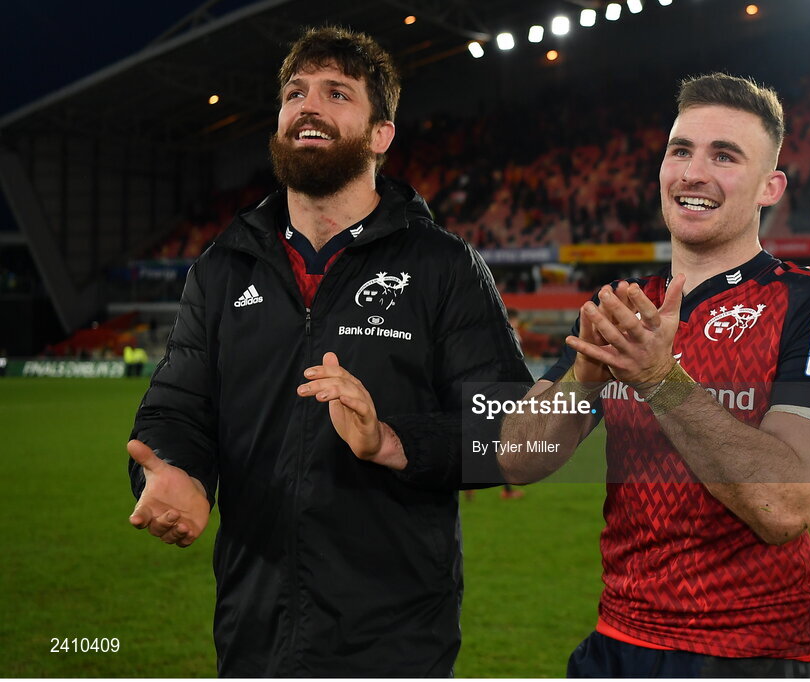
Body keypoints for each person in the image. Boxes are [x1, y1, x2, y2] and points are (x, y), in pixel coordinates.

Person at [126, 27, 531, 677]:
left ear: (381, 135)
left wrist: (391, 440)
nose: (307, 104)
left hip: (396, 640)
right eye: (295, 92)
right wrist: (175, 471)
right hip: (252, 634)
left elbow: (513, 434)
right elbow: (177, 406)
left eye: (336, 92)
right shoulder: (224, 268)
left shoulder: (442, 267)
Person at [500, 73, 810, 678]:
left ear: (768, 187)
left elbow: (784, 507)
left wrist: (659, 379)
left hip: (749, 654)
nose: (693, 173)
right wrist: (584, 378)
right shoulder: (623, 304)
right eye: (681, 151)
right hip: (614, 643)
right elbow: (514, 459)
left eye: (724, 156)